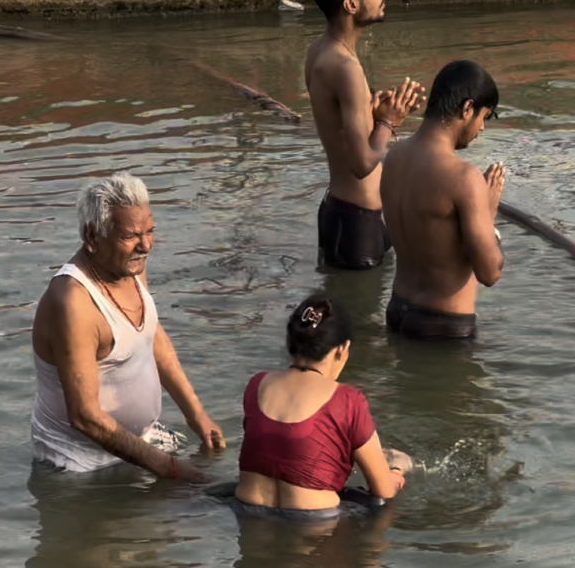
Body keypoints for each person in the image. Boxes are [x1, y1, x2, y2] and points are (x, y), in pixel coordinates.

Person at [30, 172, 223, 480]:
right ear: (93, 237)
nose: (145, 246)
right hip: (80, 465)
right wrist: (169, 468)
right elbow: (84, 417)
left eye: (150, 231)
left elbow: (152, 337)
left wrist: (196, 414)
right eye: (131, 236)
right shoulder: (73, 303)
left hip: (140, 442)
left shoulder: (129, 267)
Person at [235, 294, 411, 520]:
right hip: (315, 524)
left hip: (248, 515)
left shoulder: (256, 385)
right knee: (381, 507)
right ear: (342, 349)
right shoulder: (348, 400)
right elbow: (383, 490)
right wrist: (397, 471)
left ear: (290, 342)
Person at [304, 0, 424, 270]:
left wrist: (371, 113)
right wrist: (388, 120)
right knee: (360, 320)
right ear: (351, 4)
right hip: (357, 223)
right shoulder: (346, 67)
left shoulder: (319, 50)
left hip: (341, 213)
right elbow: (361, 163)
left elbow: (339, 127)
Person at [380, 60, 506, 340]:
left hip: (397, 310)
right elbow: (489, 272)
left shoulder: (394, 158)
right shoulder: (463, 177)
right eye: (485, 116)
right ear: (467, 108)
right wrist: (488, 214)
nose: (482, 128)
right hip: (444, 324)